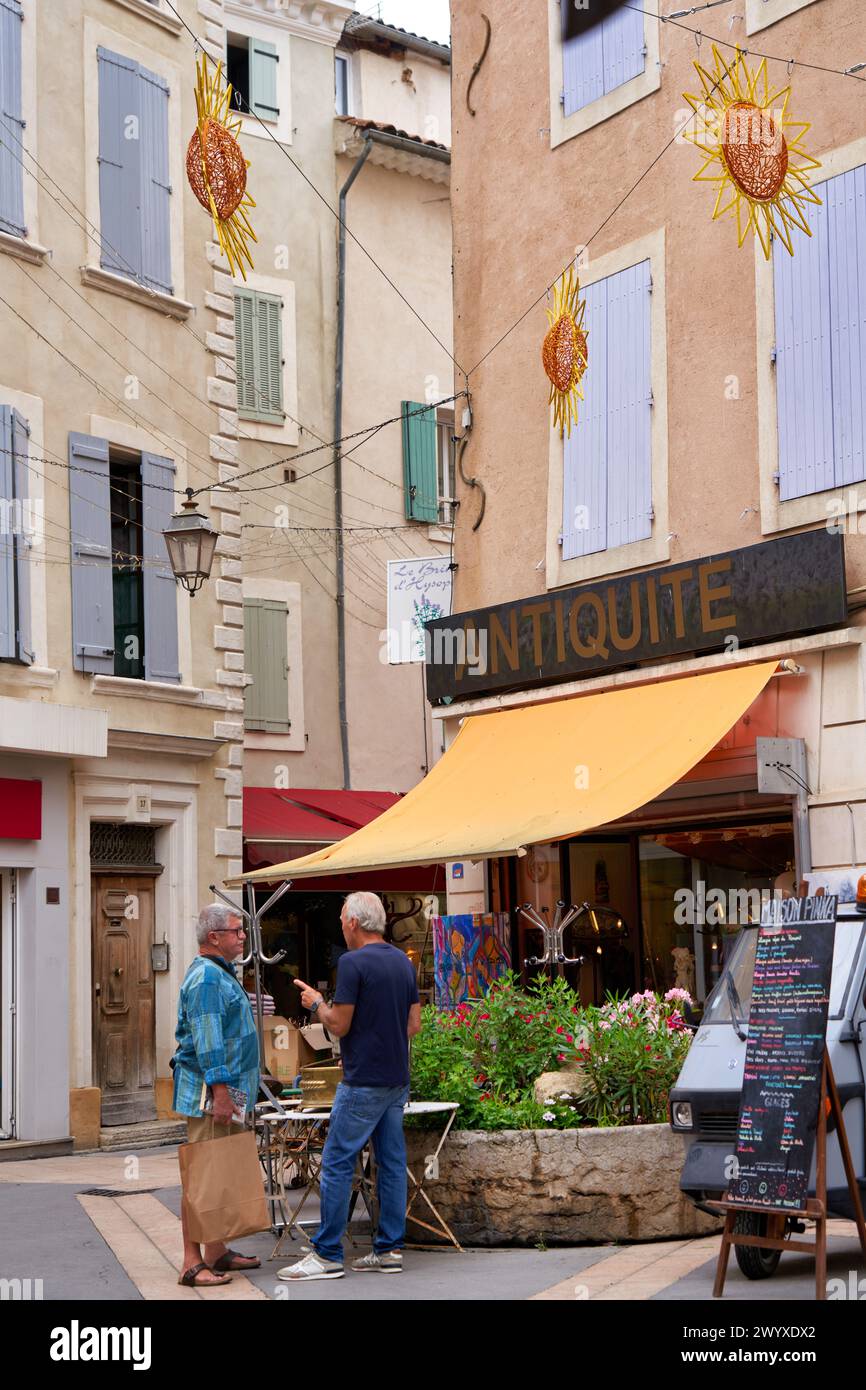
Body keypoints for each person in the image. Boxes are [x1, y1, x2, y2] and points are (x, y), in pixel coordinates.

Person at [278, 891, 421, 1281]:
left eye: (342, 918)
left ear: (354, 923)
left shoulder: (353, 963)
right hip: (396, 1079)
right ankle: (388, 1249)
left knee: (338, 1163)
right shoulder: (402, 961)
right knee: (391, 1164)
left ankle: (326, 1254)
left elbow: (338, 1025)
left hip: (363, 1081)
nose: (341, 924)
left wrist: (315, 1003)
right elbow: (412, 1025)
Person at [172, 902, 263, 1288]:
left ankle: (216, 1250)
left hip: (225, 1093)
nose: (243, 936)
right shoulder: (208, 979)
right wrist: (222, 1092)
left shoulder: (219, 973)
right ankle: (191, 1263)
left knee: (218, 1170)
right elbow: (208, 1042)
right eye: (236, 931)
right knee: (202, 1175)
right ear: (214, 937)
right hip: (211, 1095)